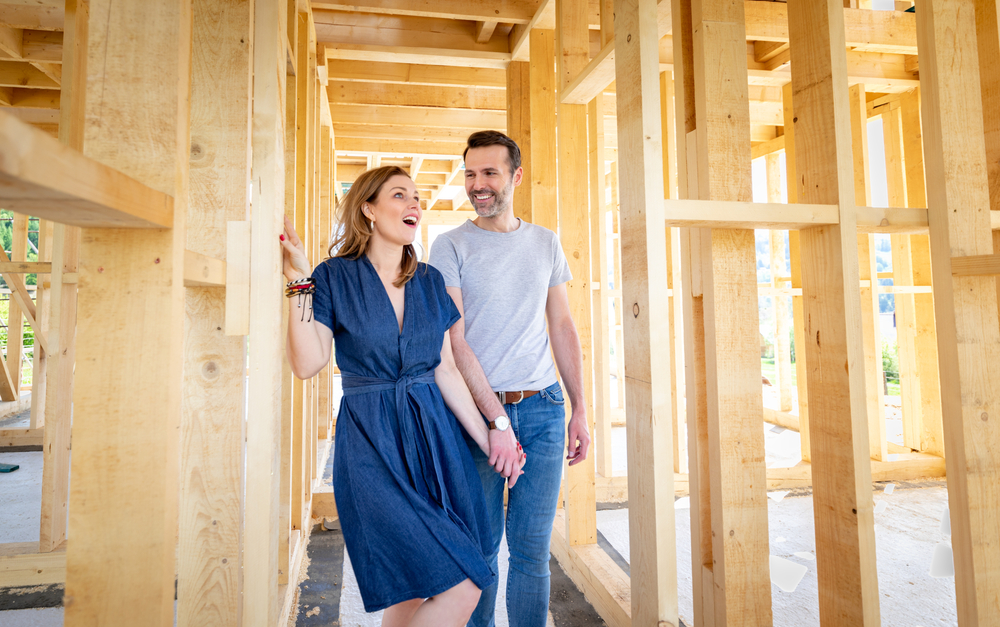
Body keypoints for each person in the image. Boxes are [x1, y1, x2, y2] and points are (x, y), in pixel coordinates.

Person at [280, 165, 521, 626]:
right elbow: (308, 363)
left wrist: (492, 434)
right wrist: (298, 281)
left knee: (415, 591)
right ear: (368, 209)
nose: (415, 204)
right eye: (399, 195)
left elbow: (447, 369)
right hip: (371, 444)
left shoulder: (429, 280)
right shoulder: (334, 276)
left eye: (417, 196)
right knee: (463, 586)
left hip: (435, 442)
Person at [428, 131, 591, 627]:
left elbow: (561, 325)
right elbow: (456, 343)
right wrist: (497, 422)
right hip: (476, 416)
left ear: (515, 176)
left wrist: (580, 408)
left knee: (531, 553)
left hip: (543, 409)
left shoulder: (545, 243)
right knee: (480, 551)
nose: (477, 184)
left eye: (489, 173)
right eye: (470, 173)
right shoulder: (449, 245)